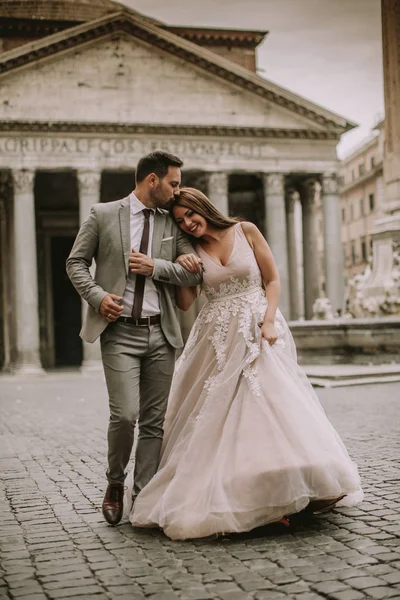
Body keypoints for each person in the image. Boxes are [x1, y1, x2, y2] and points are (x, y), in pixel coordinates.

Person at [128, 187, 363, 541]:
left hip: (257, 326)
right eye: (180, 221)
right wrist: (178, 268)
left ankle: (301, 484)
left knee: (271, 402)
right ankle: (251, 495)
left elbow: (272, 279)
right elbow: (186, 303)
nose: (188, 223)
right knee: (218, 412)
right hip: (216, 338)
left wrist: (268, 321)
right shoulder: (189, 249)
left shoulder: (246, 231)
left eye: (191, 214)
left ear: (203, 207)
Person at [66, 153, 203, 526]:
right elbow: (75, 263)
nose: (178, 191)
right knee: (125, 415)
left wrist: (155, 266)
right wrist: (97, 296)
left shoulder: (172, 223)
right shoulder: (103, 214)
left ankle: (142, 496)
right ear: (153, 181)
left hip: (162, 332)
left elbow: (193, 273)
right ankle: (115, 483)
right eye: (174, 183)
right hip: (119, 332)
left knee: (155, 423)